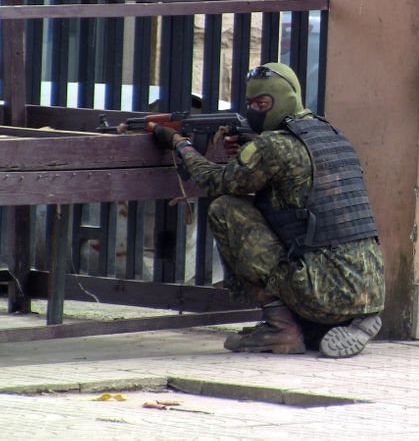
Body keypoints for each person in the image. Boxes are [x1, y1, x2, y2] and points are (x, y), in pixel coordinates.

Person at [151, 62, 385, 358]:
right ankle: (346, 316)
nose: (254, 112)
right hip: (369, 282)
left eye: (262, 104)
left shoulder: (273, 146)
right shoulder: (330, 133)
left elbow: (216, 182)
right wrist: (252, 147)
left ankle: (281, 327)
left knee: (225, 210)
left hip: (323, 287)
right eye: (250, 105)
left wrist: (179, 144)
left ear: (284, 100)